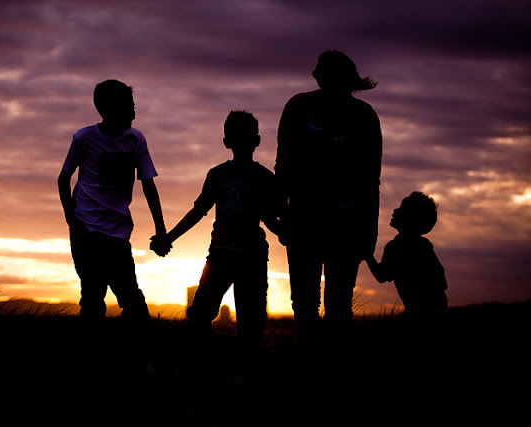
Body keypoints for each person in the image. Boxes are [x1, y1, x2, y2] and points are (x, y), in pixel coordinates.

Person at [151, 110, 281, 376]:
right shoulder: (217, 175)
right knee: (200, 313)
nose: (242, 141)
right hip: (220, 255)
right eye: (236, 135)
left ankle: (245, 374)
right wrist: (168, 238)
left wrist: (292, 235)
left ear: (257, 140)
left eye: (247, 135)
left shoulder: (266, 178)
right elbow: (198, 211)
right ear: (226, 141)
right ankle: (197, 369)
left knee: (252, 320)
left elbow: (271, 217)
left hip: (252, 258)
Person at [275, 50, 382, 348]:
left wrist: (369, 235)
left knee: (338, 306)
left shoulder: (364, 116)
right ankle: (311, 362)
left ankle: (333, 365)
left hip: (346, 224)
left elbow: (371, 179)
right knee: (304, 303)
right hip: (303, 220)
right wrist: (281, 214)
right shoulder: (298, 106)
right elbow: (283, 165)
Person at [58, 80, 168, 357]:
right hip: (85, 230)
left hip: (118, 233)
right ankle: (94, 360)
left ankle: (140, 358)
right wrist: (71, 218)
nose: (134, 113)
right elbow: (63, 178)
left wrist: (161, 229)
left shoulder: (135, 140)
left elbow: (148, 185)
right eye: (129, 107)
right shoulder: (84, 138)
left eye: (133, 106)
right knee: (92, 297)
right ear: (107, 110)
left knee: (131, 298)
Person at [365, 192, 448, 321]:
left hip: (419, 310)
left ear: (411, 218)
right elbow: (440, 279)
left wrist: (367, 255)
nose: (395, 210)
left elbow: (381, 275)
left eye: (402, 209)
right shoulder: (424, 245)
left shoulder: (396, 246)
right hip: (436, 307)